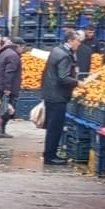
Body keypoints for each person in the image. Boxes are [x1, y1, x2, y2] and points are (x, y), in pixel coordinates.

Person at [39, 28, 82, 168]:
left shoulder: (57, 50)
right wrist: (77, 82)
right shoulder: (64, 55)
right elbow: (63, 77)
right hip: (58, 96)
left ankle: (49, 154)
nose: (79, 44)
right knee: (55, 127)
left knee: (52, 127)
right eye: (77, 41)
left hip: (50, 94)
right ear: (70, 41)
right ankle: (50, 156)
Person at [0, 37, 22, 133]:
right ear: (18, 46)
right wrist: (8, 88)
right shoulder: (13, 55)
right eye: (22, 47)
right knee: (6, 110)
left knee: (2, 108)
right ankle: (0, 130)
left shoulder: (5, 52)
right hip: (6, 87)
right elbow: (9, 73)